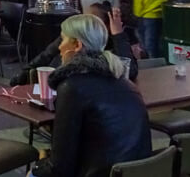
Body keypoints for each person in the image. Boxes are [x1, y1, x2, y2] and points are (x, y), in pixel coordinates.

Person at [29, 14, 152, 177]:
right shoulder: (125, 81)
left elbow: (60, 168)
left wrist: (37, 167)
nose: (59, 47)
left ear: (77, 45)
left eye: (63, 40)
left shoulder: (72, 87)